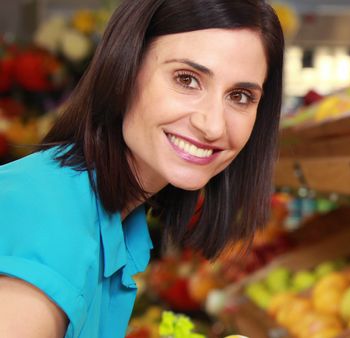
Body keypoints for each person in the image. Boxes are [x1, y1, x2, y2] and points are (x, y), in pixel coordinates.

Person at [0, 0, 284, 337]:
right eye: (187, 79)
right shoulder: (51, 224)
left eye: (239, 96)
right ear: (124, 67)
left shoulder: (106, 213)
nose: (213, 126)